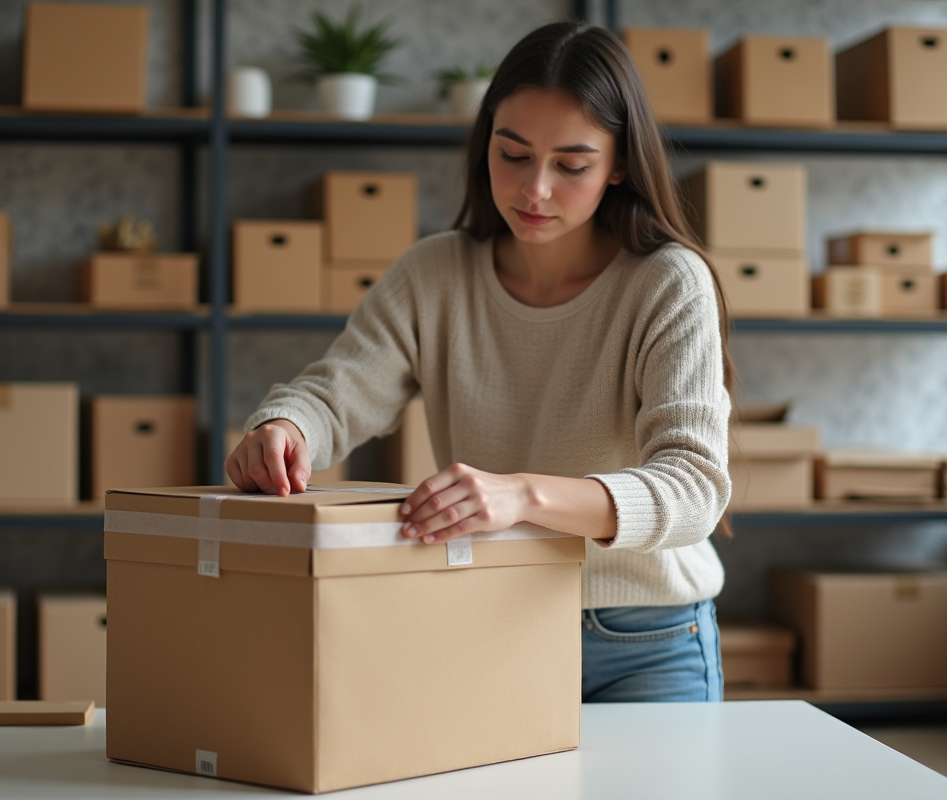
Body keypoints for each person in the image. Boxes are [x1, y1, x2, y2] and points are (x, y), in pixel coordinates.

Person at [226, 20, 733, 703]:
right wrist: (285, 427)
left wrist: (522, 495)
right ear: (484, 141)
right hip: (486, 620)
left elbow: (694, 488)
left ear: (619, 164)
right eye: (513, 154)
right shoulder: (434, 274)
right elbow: (336, 394)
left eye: (572, 165)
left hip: (647, 641)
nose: (535, 189)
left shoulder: (668, 282)